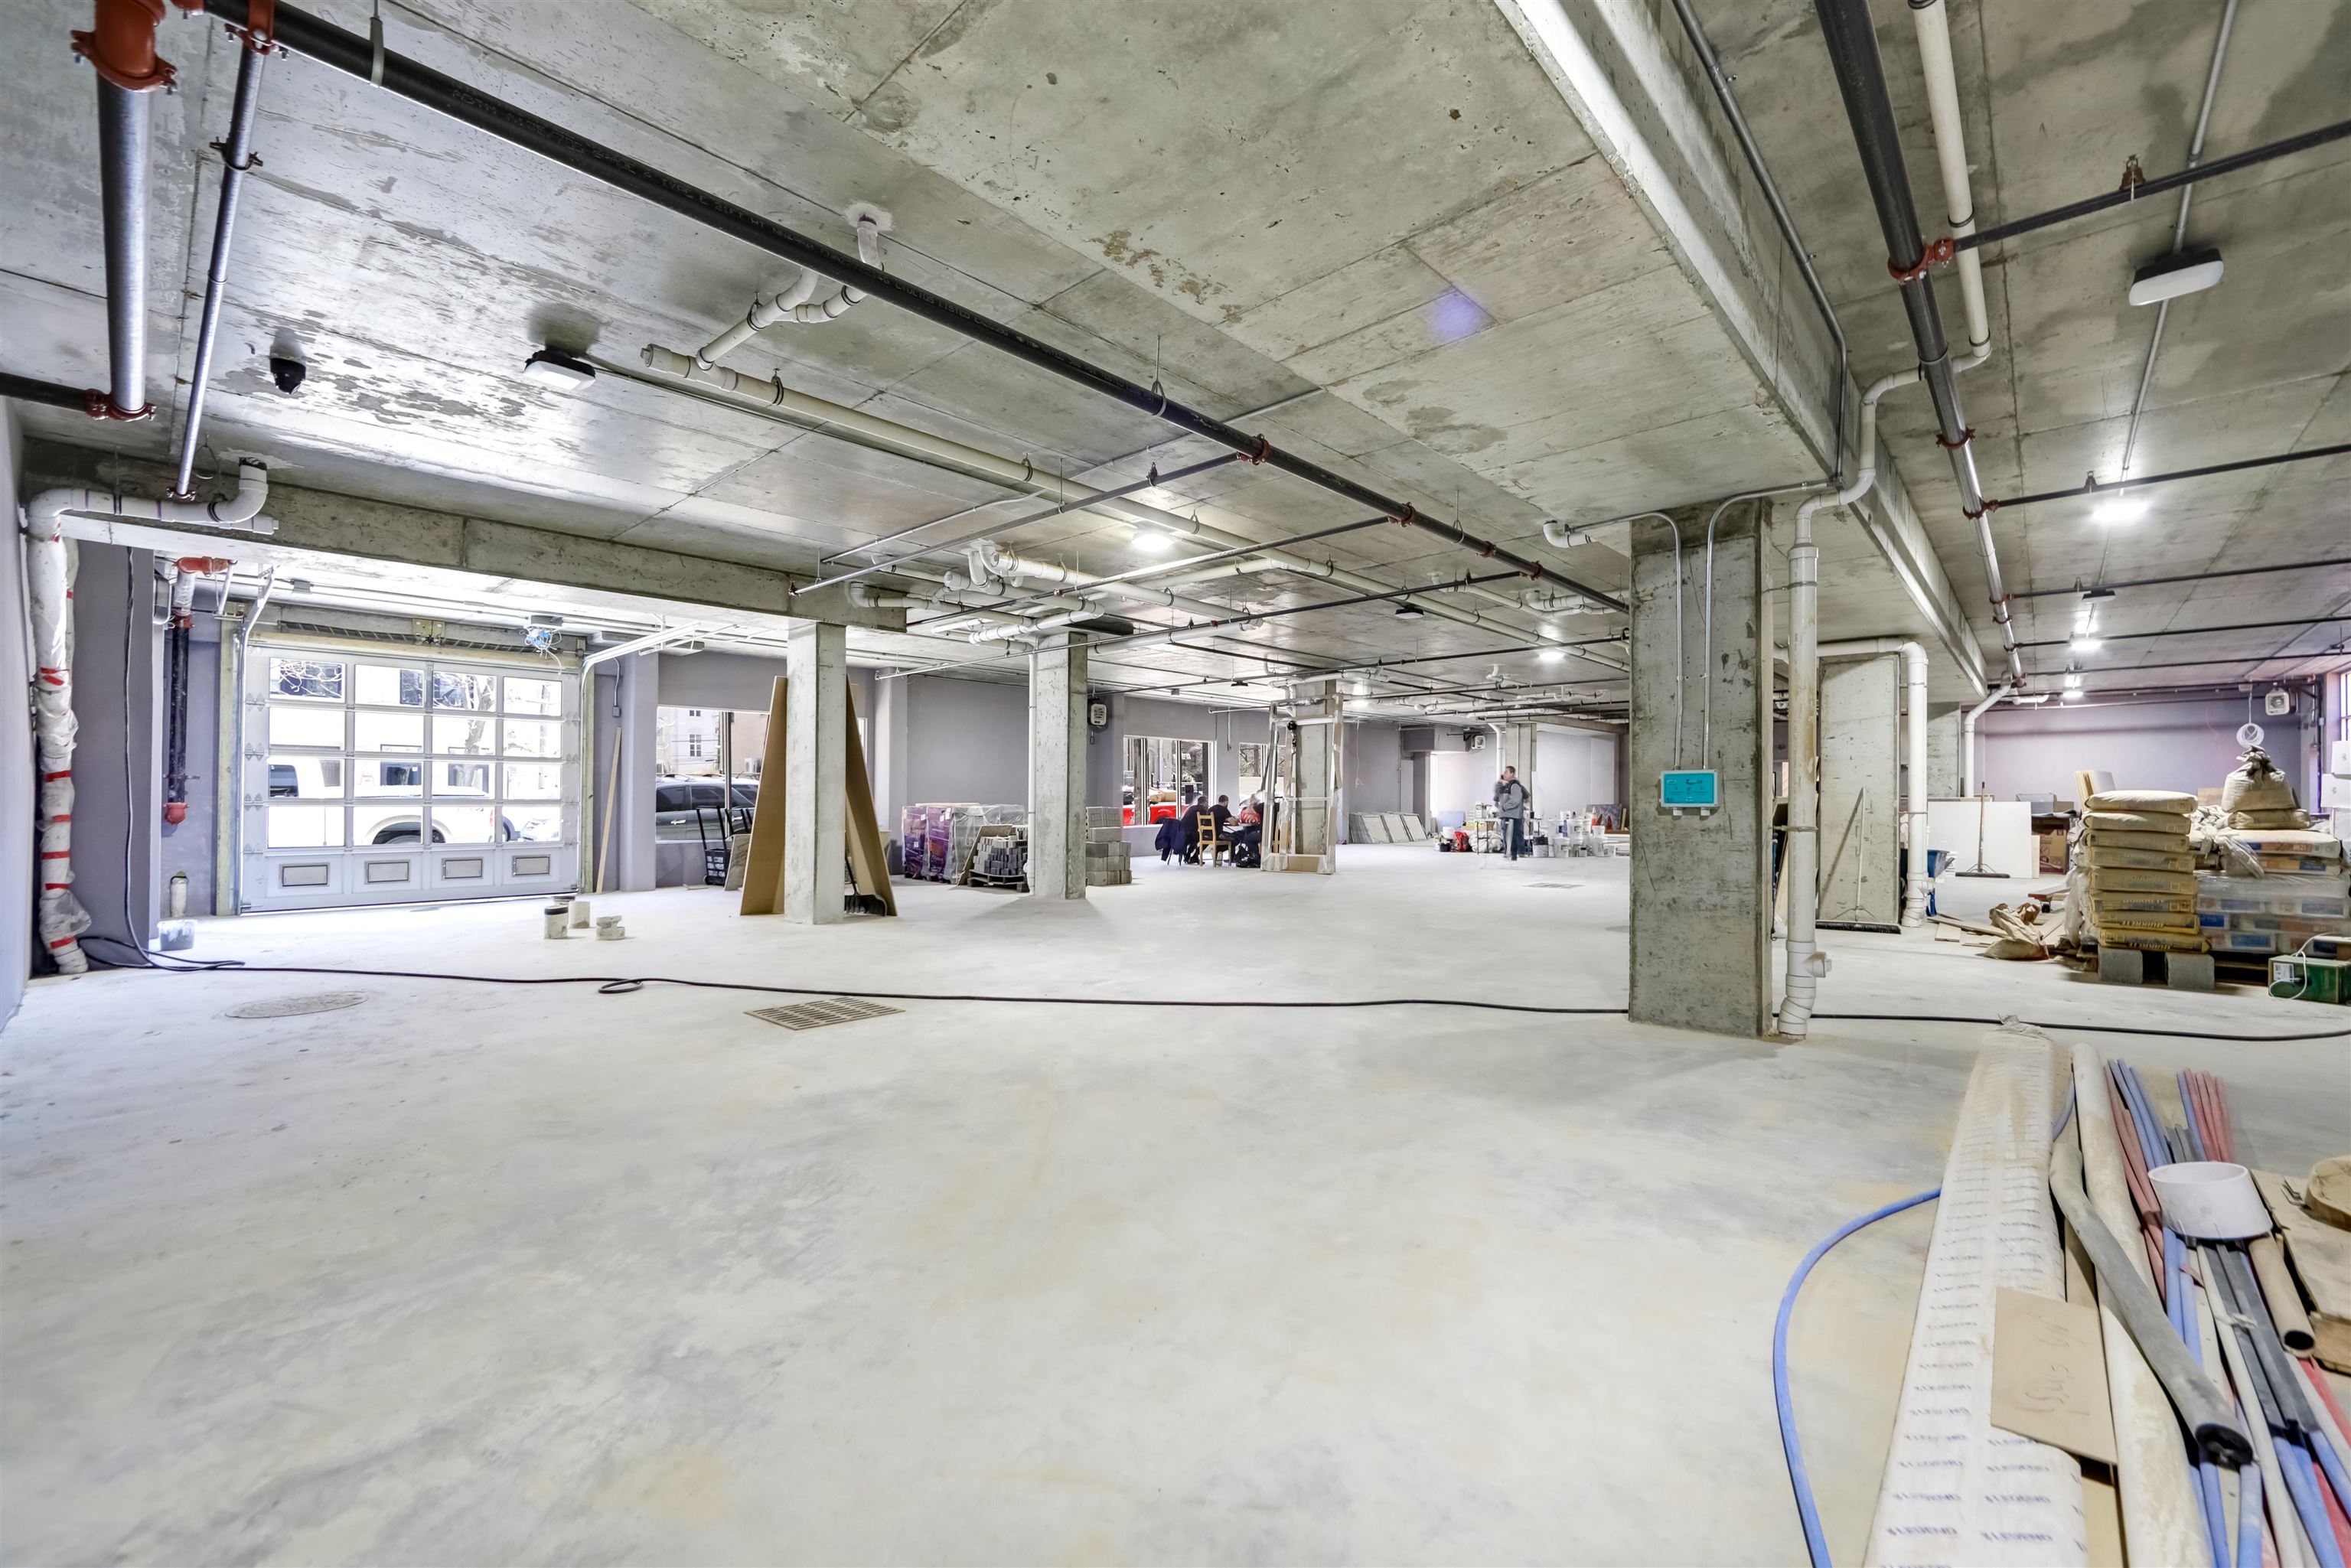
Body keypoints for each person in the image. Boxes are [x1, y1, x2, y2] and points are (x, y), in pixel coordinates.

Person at [1494, 765, 1532, 861]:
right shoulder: (1504, 786)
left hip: (1513, 815)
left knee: (1515, 834)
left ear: (1512, 773)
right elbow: (1496, 799)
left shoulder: (1516, 785)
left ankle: (1517, 852)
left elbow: (1524, 799)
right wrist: (1499, 783)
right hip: (1507, 815)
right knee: (1509, 834)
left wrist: (1504, 807)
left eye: (1506, 772)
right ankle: (1511, 852)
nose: (1504, 774)